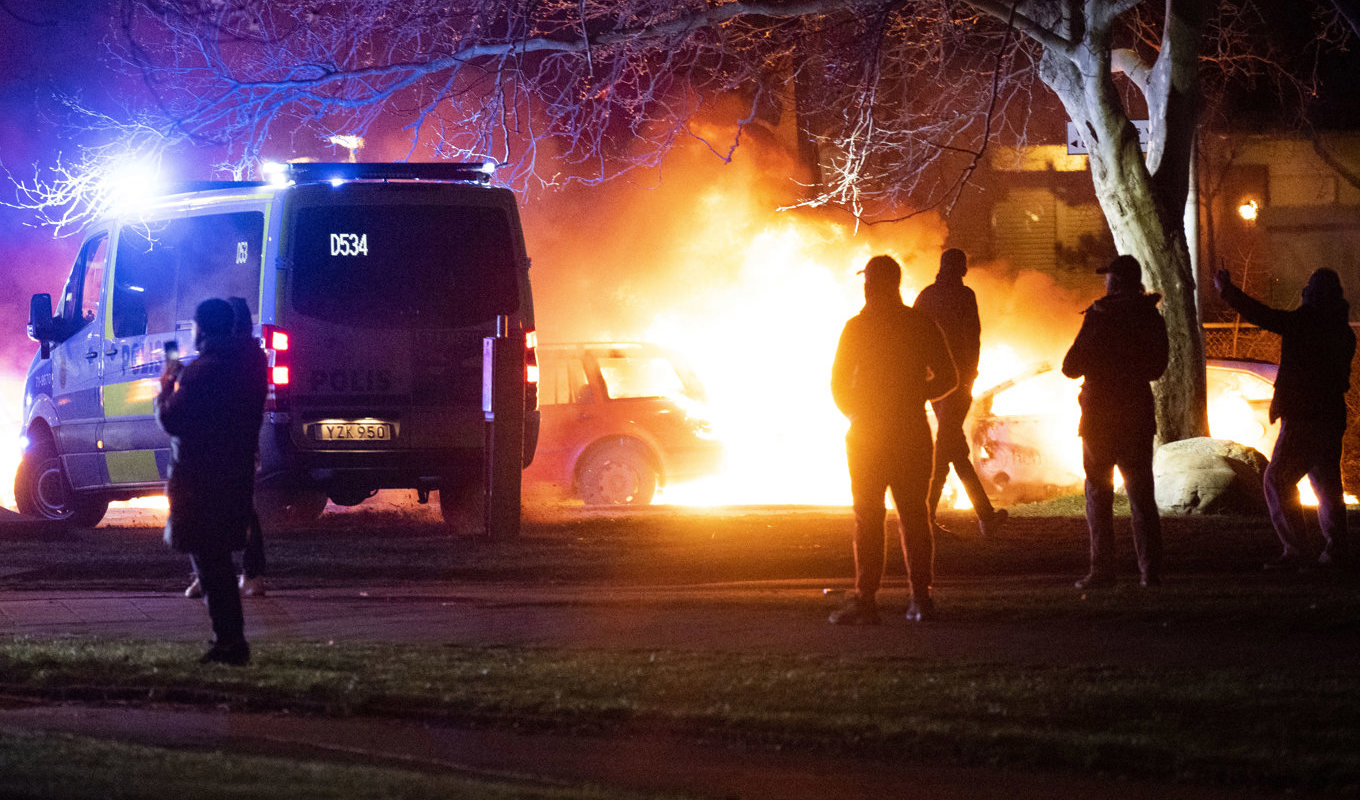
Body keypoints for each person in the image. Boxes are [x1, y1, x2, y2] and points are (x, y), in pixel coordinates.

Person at [830, 255, 957, 624]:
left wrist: (856, 412)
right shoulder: (919, 324)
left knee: (868, 517)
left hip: (868, 435)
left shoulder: (857, 327)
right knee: (914, 517)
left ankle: (866, 601)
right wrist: (917, 394)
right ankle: (920, 599)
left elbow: (838, 383)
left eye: (867, 281)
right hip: (910, 431)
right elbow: (949, 377)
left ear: (871, 284)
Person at [1214, 267, 1355, 570]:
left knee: (1276, 480)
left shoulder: (1306, 323)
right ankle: (1336, 549)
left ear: (1313, 294)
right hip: (1330, 416)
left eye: (1309, 289)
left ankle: (1296, 550)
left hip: (1304, 418)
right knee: (1327, 485)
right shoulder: (1343, 331)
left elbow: (1264, 316)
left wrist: (1227, 291)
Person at [157, 298, 268, 665]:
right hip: (233, 473)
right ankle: (229, 641)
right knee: (216, 560)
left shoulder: (202, 372)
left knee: (211, 564)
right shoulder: (248, 365)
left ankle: (230, 642)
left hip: (200, 480)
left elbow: (173, 421)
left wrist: (167, 386)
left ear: (201, 328)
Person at [1062, 255, 1168, 589]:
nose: (1105, 282)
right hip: (1136, 414)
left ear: (1117, 281)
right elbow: (1156, 368)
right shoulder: (1150, 317)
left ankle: (1102, 571)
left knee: (1098, 493)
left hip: (1100, 418)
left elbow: (1070, 366)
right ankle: (1150, 573)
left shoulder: (1099, 316)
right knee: (1141, 496)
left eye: (1108, 277)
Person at [913, 248, 1008, 537]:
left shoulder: (927, 296)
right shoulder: (965, 297)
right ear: (961, 269)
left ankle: (985, 516)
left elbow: (915, 339)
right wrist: (970, 374)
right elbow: (974, 338)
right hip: (958, 383)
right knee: (947, 448)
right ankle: (925, 517)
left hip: (936, 385)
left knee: (954, 448)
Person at [183, 298, 270, 598]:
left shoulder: (230, 358)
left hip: (221, 444)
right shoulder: (251, 356)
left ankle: (228, 574)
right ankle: (245, 574)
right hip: (239, 443)